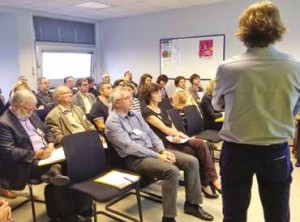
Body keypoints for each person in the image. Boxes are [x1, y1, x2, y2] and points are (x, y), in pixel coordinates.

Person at [212, 1, 300, 222]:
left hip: (236, 150)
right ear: (278, 28)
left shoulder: (228, 67)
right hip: (275, 151)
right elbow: (296, 106)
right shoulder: (295, 66)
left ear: (243, 31)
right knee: (278, 213)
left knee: (233, 213)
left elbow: (216, 106)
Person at [105, 88, 214, 222]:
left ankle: (192, 204)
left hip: (152, 151)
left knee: (192, 161)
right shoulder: (113, 122)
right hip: (135, 158)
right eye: (127, 98)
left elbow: (151, 134)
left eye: (131, 97)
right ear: (117, 103)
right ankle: (168, 217)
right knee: (171, 171)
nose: (132, 100)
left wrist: (162, 150)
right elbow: (130, 147)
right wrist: (157, 156)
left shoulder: (135, 114)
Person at [141, 83, 221, 198]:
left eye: (159, 92)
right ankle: (208, 182)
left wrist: (177, 136)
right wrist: (181, 135)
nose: (159, 94)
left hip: (173, 140)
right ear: (148, 96)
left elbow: (172, 127)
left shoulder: (161, 109)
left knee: (201, 144)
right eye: (155, 92)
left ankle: (211, 180)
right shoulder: (146, 112)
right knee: (198, 153)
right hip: (163, 145)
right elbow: (165, 130)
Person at [0, 90, 69, 198]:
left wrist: (50, 143)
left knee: (72, 152)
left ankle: (56, 169)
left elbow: (48, 130)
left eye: (33, 108)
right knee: (68, 165)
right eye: (28, 108)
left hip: (48, 152)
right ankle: (55, 172)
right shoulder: (4, 123)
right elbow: (9, 151)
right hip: (28, 162)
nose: (31, 111)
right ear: (15, 106)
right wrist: (35, 154)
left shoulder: (31, 114)